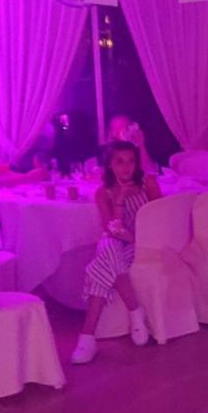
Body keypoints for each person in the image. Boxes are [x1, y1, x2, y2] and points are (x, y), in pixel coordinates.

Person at [71, 141, 162, 364]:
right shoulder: (103, 193)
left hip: (144, 243)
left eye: (131, 161)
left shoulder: (148, 183)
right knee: (109, 247)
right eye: (119, 161)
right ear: (110, 165)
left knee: (103, 259)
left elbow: (161, 219)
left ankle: (87, 337)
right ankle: (135, 312)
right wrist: (119, 200)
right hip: (118, 245)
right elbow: (110, 229)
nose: (126, 167)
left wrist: (134, 238)